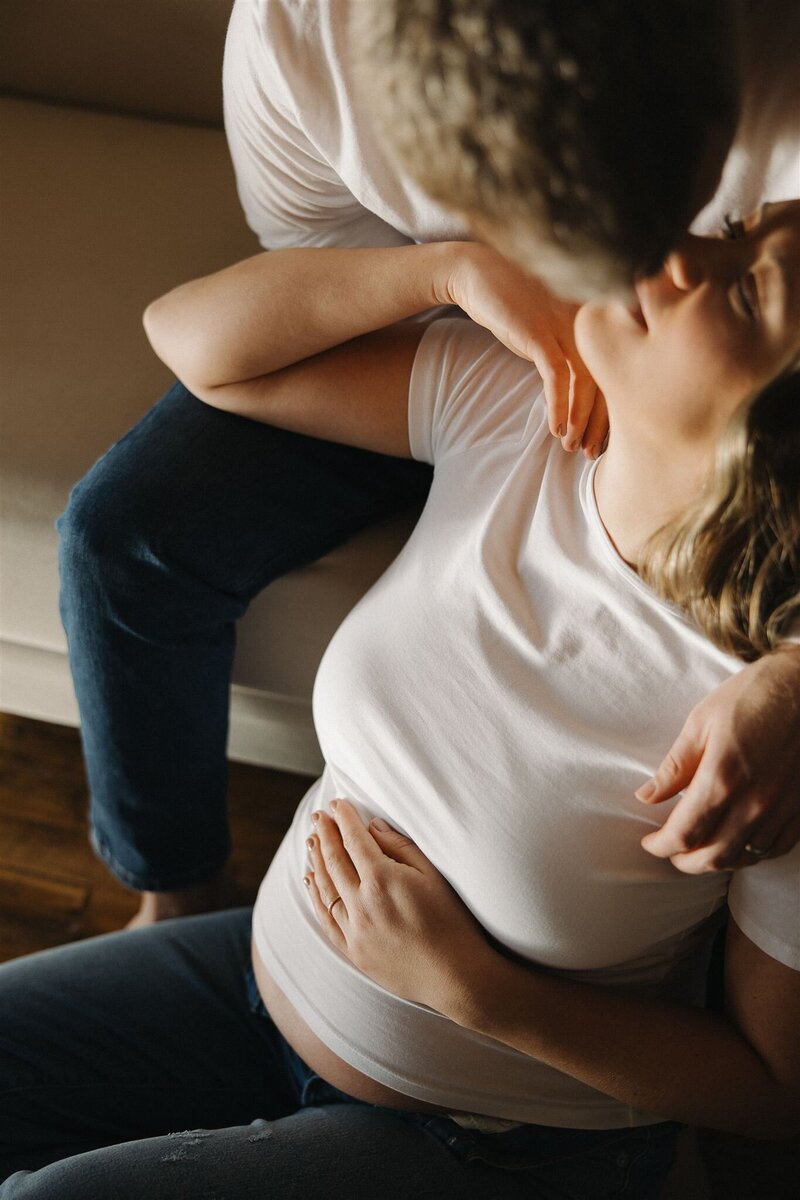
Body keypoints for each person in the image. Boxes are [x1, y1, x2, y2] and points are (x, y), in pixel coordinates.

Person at [3, 198, 799, 1199]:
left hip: (500, 1138)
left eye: (741, 284)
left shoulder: (766, 735)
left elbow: (773, 1092)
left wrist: (477, 993)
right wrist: (447, 271)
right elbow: (198, 342)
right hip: (257, 978)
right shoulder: (523, 416)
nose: (674, 245)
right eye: (728, 228)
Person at [55, 0, 800, 931]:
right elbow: (285, 286)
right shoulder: (307, 32)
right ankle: (175, 886)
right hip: (464, 349)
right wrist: (450, 273)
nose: (652, 258)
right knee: (122, 533)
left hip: (714, 415)